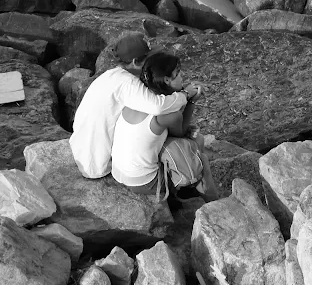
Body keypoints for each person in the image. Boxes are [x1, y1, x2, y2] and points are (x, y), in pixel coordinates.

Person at [70, 33, 198, 179]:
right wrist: (185, 95)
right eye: (150, 58)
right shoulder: (128, 83)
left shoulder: (112, 75)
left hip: (83, 150)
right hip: (97, 163)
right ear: (136, 62)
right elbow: (158, 106)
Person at [110, 51, 219, 202]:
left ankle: (190, 183)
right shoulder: (169, 115)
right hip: (143, 182)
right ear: (167, 80)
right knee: (199, 153)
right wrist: (191, 100)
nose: (182, 75)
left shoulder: (138, 98)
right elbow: (180, 132)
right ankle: (214, 204)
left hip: (119, 172)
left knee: (191, 142)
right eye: (178, 73)